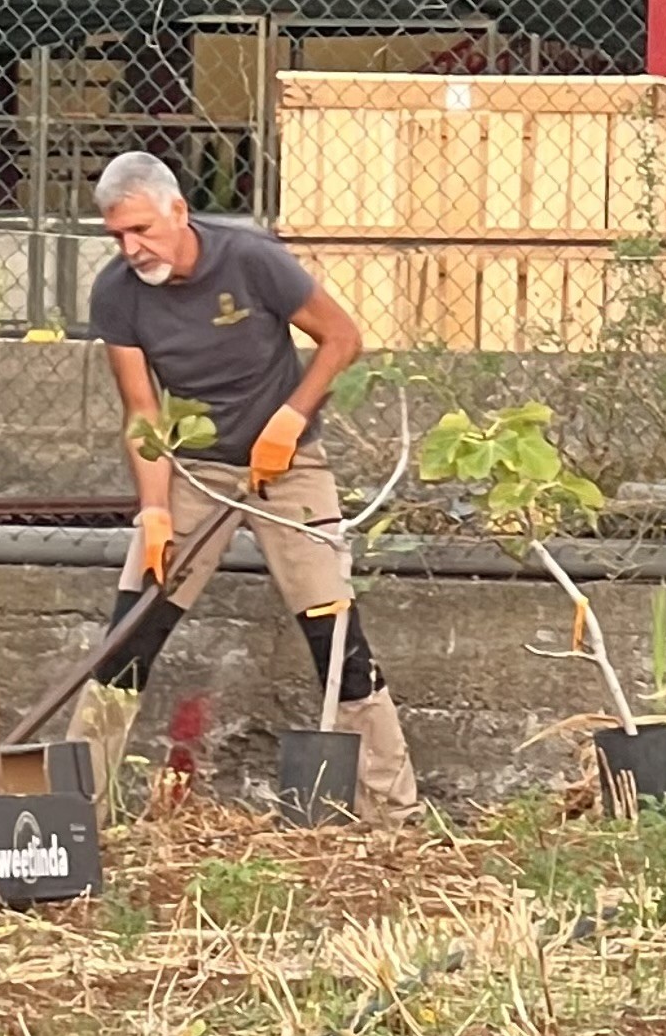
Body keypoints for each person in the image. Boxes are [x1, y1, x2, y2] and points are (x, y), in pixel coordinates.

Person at [68, 150, 417, 825]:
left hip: (289, 470)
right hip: (193, 470)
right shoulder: (117, 293)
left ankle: (392, 815)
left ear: (177, 209)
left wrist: (290, 419)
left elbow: (342, 337)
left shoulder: (251, 259)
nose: (132, 248)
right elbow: (143, 413)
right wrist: (155, 513)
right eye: (117, 236)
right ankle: (79, 808)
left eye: (141, 229)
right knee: (131, 633)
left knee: (335, 633)